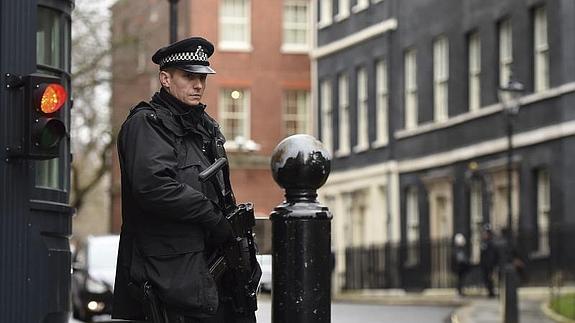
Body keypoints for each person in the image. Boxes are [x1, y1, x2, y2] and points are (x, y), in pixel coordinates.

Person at [112, 37, 256, 323]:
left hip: (212, 275)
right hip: (171, 279)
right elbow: (154, 186)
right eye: (189, 76)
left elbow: (222, 191)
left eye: (202, 77)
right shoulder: (146, 124)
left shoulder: (206, 128)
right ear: (165, 78)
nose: (198, 85)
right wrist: (213, 218)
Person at [479, 224, 498, 298]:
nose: (485, 234)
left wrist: (492, 265)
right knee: (486, 279)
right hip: (485, 265)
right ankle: (490, 292)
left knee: (490, 279)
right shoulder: (484, 242)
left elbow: (492, 256)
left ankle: (491, 292)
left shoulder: (491, 243)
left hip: (490, 265)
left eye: (486, 233)